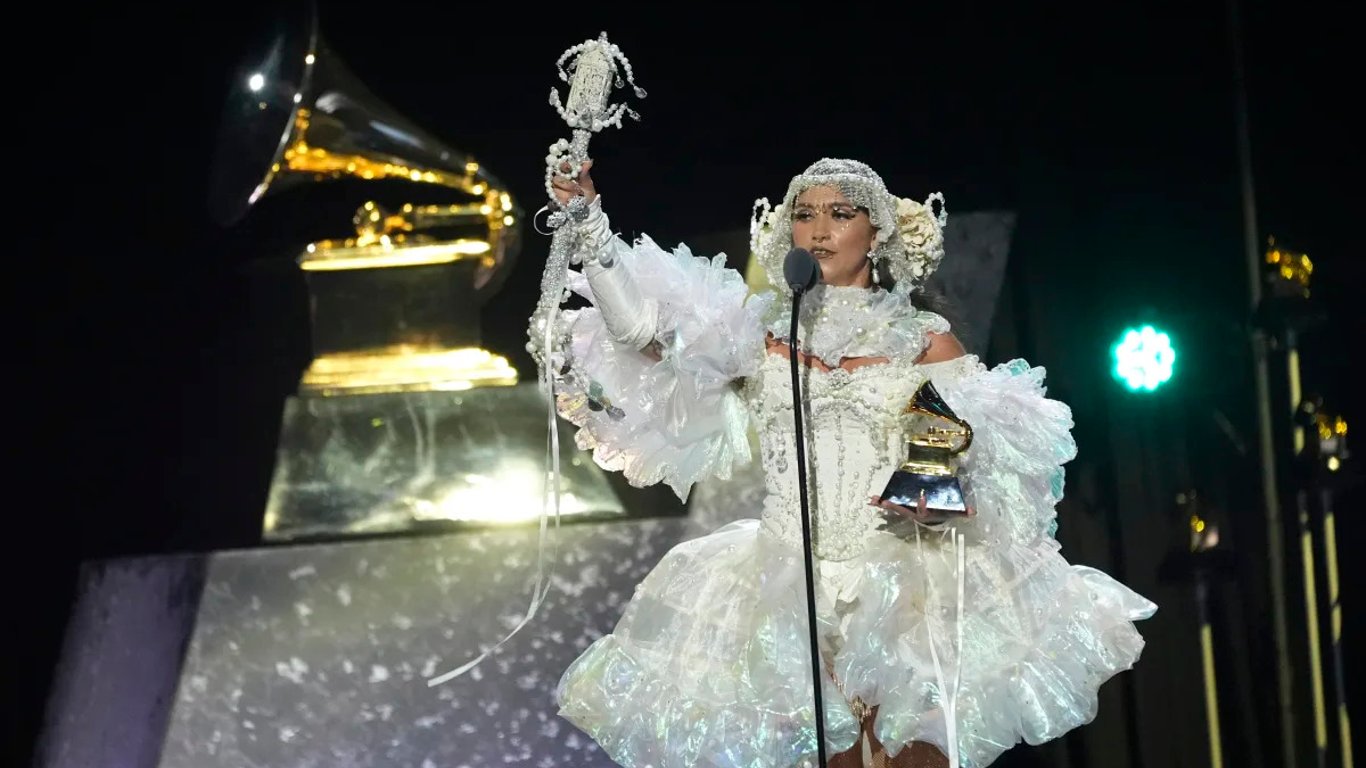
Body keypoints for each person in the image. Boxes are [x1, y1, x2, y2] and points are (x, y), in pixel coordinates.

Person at [531, 157, 1156, 767]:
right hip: (787, 578)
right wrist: (593, 231)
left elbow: (962, 454)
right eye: (804, 215)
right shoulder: (759, 335)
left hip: (901, 576)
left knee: (906, 753)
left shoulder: (921, 340)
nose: (820, 229)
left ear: (876, 232)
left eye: (840, 213)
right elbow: (643, 331)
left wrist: (933, 486)